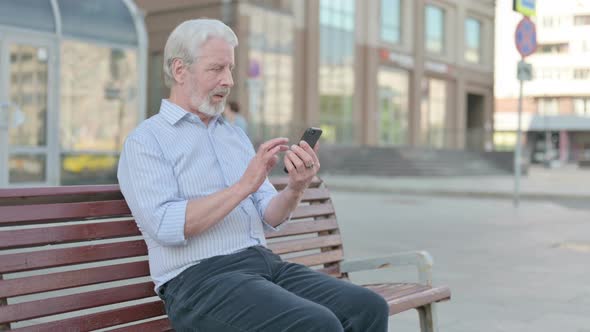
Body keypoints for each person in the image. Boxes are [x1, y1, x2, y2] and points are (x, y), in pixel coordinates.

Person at [117, 19, 388, 332]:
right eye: (216, 69)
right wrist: (244, 186)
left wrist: (296, 187)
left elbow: (269, 215)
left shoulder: (234, 137)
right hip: (198, 281)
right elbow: (165, 224)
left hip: (263, 266)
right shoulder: (146, 141)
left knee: (367, 308)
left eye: (230, 69)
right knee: (318, 325)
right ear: (180, 71)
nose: (229, 80)